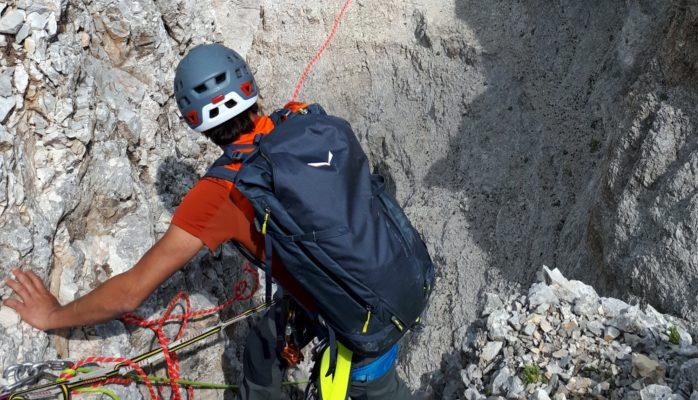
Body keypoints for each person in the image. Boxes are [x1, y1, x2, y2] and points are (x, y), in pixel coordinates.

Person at [3, 44, 415, 400]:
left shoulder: (218, 193)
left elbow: (130, 292)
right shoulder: (303, 118)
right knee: (264, 348)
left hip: (362, 329)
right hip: (392, 270)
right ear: (249, 86)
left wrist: (53, 315)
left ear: (192, 119)